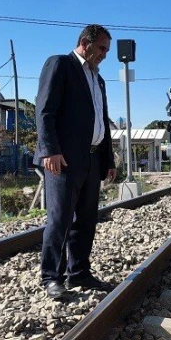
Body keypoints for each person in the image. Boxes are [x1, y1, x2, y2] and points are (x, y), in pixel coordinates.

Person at [34, 24, 117, 300]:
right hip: (63, 160)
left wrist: (108, 159)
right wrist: (49, 150)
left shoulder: (98, 79)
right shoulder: (61, 64)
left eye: (107, 49)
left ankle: (79, 272)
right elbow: (44, 111)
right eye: (102, 48)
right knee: (60, 219)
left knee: (86, 220)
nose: (105, 54)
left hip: (92, 159)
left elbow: (101, 120)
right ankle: (51, 277)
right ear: (85, 42)